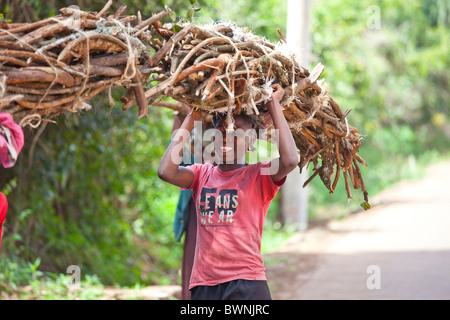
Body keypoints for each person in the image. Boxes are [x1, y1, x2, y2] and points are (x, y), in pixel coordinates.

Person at [158, 84, 298, 300]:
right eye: (221, 131)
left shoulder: (259, 175)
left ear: (251, 140)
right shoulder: (201, 175)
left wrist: (273, 103)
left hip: (246, 284)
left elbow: (289, 160)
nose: (225, 138)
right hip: (204, 285)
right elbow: (165, 172)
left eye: (235, 133)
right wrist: (192, 118)